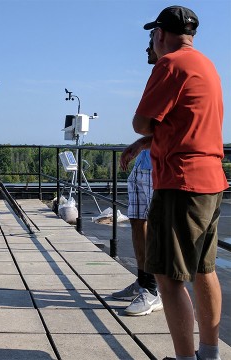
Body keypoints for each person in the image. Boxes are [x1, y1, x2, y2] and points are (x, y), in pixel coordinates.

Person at [133, 6, 227, 360]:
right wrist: (148, 141)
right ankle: (209, 353)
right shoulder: (206, 65)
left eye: (152, 36)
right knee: (205, 271)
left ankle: (185, 359)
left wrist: (145, 135)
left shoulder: (170, 64)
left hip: (180, 182)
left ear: (160, 34)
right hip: (211, 180)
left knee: (169, 279)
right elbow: (188, 123)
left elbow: (142, 121)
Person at [112, 32, 162, 317]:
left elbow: (160, 124)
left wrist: (143, 138)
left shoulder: (171, 74)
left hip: (159, 166)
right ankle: (143, 281)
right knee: (137, 223)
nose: (147, 49)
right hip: (143, 164)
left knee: (154, 228)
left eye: (150, 44)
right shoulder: (157, 75)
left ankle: (153, 290)